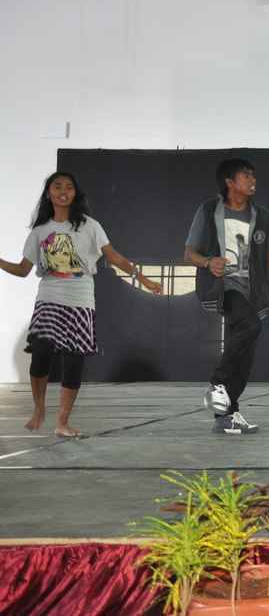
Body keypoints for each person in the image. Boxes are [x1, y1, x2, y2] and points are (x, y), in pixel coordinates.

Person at [0, 172, 161, 437]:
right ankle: (39, 408)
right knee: (40, 352)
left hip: (80, 301)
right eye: (57, 186)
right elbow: (22, 269)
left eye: (69, 187)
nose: (63, 191)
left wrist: (142, 278)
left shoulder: (90, 226)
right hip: (48, 299)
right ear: (49, 193)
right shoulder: (40, 231)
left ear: (75, 194)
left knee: (73, 362)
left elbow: (115, 257)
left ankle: (62, 422)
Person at [185, 158, 269, 435]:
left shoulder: (262, 217)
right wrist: (208, 262)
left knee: (245, 357)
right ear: (230, 182)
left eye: (254, 176)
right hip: (224, 286)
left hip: (252, 291)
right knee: (251, 325)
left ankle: (226, 415)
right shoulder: (208, 210)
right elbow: (189, 252)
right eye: (246, 176)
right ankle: (217, 382)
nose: (253, 180)